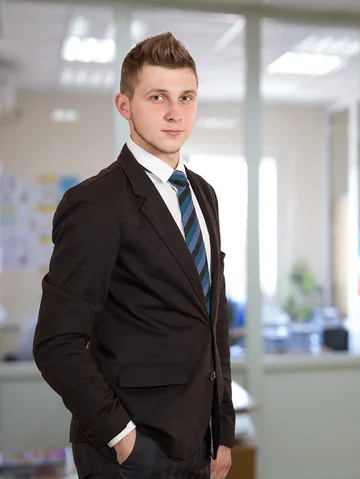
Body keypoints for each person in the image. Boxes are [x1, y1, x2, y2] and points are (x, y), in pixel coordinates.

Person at [33, 32, 234, 478]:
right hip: (131, 452)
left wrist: (223, 429)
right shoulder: (96, 203)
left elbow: (212, 318)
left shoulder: (204, 195)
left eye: (186, 97)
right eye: (157, 97)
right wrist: (123, 438)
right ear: (125, 106)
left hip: (198, 444)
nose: (174, 113)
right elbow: (55, 343)